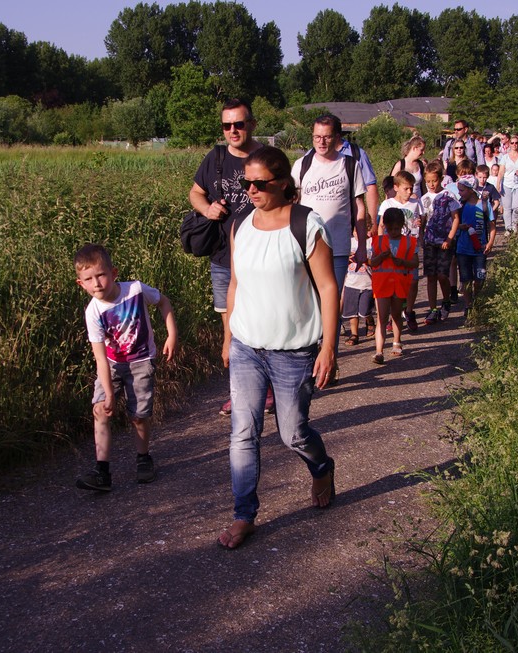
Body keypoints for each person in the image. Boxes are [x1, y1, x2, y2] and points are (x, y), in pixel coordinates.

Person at [218, 146, 339, 550]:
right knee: (242, 433)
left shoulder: (306, 224)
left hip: (294, 351)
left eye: (260, 183)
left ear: (283, 182)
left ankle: (321, 468)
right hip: (247, 347)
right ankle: (243, 515)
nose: (251, 190)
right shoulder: (240, 224)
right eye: (245, 183)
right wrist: (228, 336)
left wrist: (329, 348)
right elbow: (235, 284)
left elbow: (328, 287)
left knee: (293, 434)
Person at [188, 99, 272, 417]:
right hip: (223, 256)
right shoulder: (216, 158)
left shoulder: (266, 157)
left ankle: (266, 388)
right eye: (227, 125)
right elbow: (195, 192)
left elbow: (286, 197)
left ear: (252, 124)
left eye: (239, 124)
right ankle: (239, 392)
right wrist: (207, 208)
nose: (233, 130)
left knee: (262, 320)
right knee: (231, 327)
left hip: (261, 256)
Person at [74, 244, 178, 492]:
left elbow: (163, 302)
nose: (96, 283)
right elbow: (100, 358)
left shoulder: (136, 290)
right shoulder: (93, 312)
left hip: (141, 361)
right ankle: (102, 472)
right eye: (89, 279)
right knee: (100, 409)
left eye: (101, 275)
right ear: (81, 284)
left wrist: (171, 335)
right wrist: (109, 394)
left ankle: (143, 458)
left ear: (113, 273)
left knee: (138, 416)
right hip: (111, 365)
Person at [293, 113, 368, 384]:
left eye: (326, 137)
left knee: (331, 307)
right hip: (305, 247)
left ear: (337, 138)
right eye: (316, 137)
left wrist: (361, 245)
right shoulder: (302, 165)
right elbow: (291, 203)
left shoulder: (349, 165)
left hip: (337, 247)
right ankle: (306, 363)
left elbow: (359, 207)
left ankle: (329, 362)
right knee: (304, 305)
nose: (321, 142)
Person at [377, 171, 423, 332]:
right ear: (396, 187)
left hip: (410, 246)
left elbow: (421, 222)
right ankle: (394, 316)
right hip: (392, 248)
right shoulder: (387, 204)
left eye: (411, 188)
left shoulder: (416, 203)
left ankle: (409, 311)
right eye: (406, 188)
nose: (409, 192)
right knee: (394, 283)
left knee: (413, 281)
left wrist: (420, 227)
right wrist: (381, 245)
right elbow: (381, 226)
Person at [370, 207, 417, 363]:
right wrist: (381, 257)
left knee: (396, 315)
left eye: (396, 229)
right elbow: (372, 262)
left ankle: (397, 341)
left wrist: (402, 262)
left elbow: (415, 262)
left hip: (399, 284)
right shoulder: (378, 241)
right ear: (385, 226)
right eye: (390, 229)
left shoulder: (409, 242)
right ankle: (379, 351)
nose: (393, 232)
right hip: (382, 284)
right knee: (382, 317)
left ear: (402, 225)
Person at [419, 162, 461, 325]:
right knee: (431, 276)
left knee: (442, 275)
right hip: (430, 240)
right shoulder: (424, 199)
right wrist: (421, 237)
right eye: (428, 181)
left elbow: (455, 218)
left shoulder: (448, 196)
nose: (431, 184)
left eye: (434, 181)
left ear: (441, 179)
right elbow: (423, 220)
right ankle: (432, 309)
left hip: (444, 241)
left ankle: (446, 300)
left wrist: (450, 238)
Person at [454, 178, 497, 321]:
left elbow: (492, 225)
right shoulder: (460, 205)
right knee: (466, 279)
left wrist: (490, 242)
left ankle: (477, 300)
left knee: (479, 278)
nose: (460, 193)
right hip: (463, 249)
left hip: (480, 249)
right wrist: (460, 226)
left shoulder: (484, 204)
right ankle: (468, 305)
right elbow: (453, 224)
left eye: (462, 190)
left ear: (471, 189)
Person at [341, 232, 374, 345]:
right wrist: (347, 258)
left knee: (364, 311)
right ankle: (354, 334)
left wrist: (365, 260)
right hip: (351, 282)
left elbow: (376, 262)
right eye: (355, 230)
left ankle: (369, 320)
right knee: (352, 312)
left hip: (367, 283)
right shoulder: (348, 242)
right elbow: (340, 260)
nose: (357, 233)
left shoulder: (371, 242)